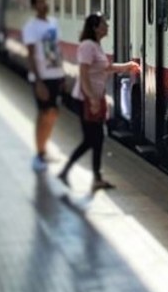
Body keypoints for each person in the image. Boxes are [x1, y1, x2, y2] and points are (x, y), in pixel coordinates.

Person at [58, 14, 139, 191]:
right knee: (91, 139)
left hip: (95, 97)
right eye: (104, 24)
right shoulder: (87, 46)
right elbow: (84, 73)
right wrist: (92, 98)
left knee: (97, 139)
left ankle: (94, 178)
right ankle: (67, 172)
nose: (107, 26)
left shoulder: (96, 46)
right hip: (86, 99)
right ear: (96, 27)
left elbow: (106, 68)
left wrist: (127, 66)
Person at [23, 0, 65, 172]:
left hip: (55, 75)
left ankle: (44, 147)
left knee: (53, 113)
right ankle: (39, 153)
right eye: (40, 2)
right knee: (43, 114)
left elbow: (57, 50)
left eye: (46, 1)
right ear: (34, 6)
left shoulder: (54, 23)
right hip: (42, 78)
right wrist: (38, 81)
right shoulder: (30, 27)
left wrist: (62, 74)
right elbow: (31, 55)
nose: (44, 4)